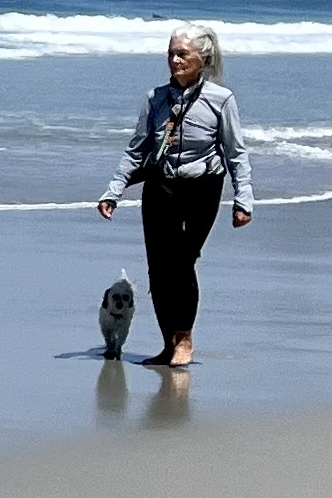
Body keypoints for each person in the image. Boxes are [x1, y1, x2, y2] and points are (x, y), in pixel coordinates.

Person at [95, 26, 252, 367]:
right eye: (171, 54)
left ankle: (184, 338)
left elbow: (236, 152)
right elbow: (136, 150)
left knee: (182, 264)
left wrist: (244, 199)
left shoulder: (221, 99)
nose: (175, 60)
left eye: (183, 54)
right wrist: (114, 191)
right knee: (158, 270)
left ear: (202, 59)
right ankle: (169, 344)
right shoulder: (155, 98)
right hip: (160, 186)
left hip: (203, 189)